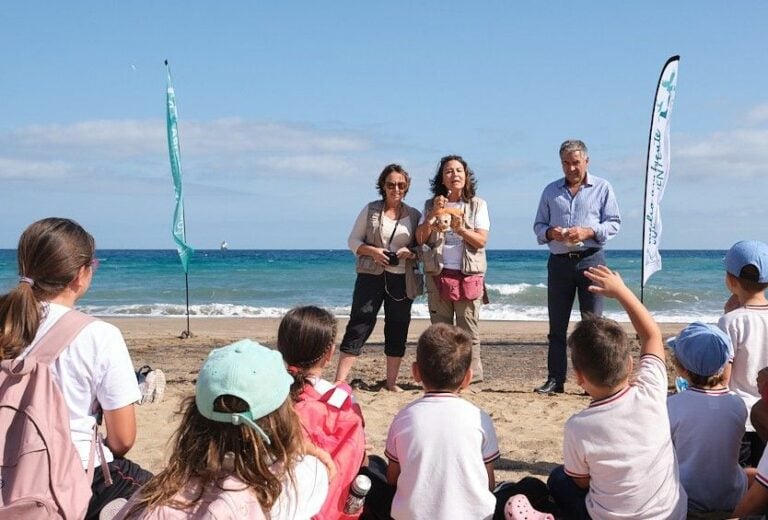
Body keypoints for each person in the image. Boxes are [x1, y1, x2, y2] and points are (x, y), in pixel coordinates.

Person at [0, 217, 152, 519]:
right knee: (158, 494)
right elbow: (123, 439)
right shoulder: (99, 335)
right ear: (81, 275)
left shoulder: (6, 322)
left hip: (5, 474)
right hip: (75, 475)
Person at [115, 339, 330, 519]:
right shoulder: (303, 478)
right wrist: (299, 447)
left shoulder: (155, 496)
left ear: (195, 417)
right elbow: (320, 473)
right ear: (283, 417)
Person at [547, 265, 687, 519]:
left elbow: (580, 483)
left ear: (579, 377)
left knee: (558, 479)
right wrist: (622, 292)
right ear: (631, 364)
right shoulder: (652, 390)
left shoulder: (578, 426)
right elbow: (652, 335)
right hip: (672, 514)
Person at [382, 323, 500, 519]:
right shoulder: (479, 418)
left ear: (415, 372)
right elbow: (488, 482)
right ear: (467, 378)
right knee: (527, 488)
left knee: (375, 469)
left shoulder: (404, 417)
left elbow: (393, 478)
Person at [533, 139, 621, 394]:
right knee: (556, 327)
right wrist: (552, 233)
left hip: (591, 260)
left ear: (586, 162)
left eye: (576, 163)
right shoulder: (550, 191)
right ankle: (555, 380)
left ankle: (592, 382)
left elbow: (614, 223)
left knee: (593, 326)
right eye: (566, 163)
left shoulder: (603, 187)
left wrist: (588, 231)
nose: (571, 168)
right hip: (559, 263)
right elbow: (538, 226)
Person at [335, 164, 422, 391]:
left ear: (407, 187)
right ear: (383, 186)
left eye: (401, 185)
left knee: (398, 327)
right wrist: (374, 251)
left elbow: (422, 248)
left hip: (402, 278)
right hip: (371, 275)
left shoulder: (414, 215)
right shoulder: (371, 210)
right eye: (391, 184)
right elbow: (353, 241)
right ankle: (339, 381)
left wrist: (409, 253)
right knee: (359, 323)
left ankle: (391, 383)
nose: (396, 189)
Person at [277, 305, 367, 519]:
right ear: (329, 353)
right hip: (329, 508)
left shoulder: (267, 398)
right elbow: (360, 460)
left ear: (282, 349)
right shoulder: (344, 402)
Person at [415, 155, 490, 382]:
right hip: (438, 272)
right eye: (448, 171)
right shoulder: (430, 205)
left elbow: (481, 241)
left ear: (466, 176)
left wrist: (460, 229)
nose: (454, 175)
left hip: (467, 274)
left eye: (459, 170)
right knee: (441, 332)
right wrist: (433, 215)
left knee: (468, 331)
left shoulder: (477, 204)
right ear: (442, 178)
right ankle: (442, 378)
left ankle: (471, 378)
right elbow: (420, 239)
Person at [667, 322, 750, 515]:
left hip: (688, 495)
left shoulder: (673, 405)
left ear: (682, 369)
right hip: (730, 494)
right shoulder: (737, 404)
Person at [718, 239, 768, 467]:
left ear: (731, 280)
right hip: (766, 411)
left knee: (743, 476)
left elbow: (723, 378)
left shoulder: (730, 321)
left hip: (742, 417)